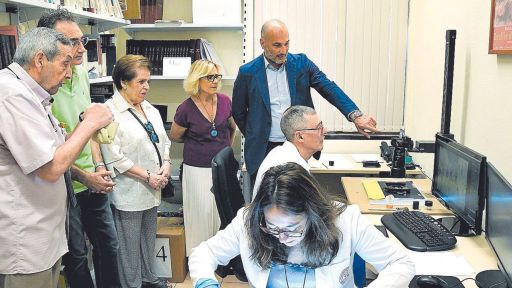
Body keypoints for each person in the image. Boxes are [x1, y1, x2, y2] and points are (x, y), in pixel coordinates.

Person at [0, 27, 113, 288]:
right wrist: (90, 124)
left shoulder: (32, 95)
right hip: (24, 243)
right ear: (40, 60)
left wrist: (84, 169)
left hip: (44, 237)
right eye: (65, 64)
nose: (69, 72)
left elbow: (52, 151)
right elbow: (51, 167)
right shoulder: (11, 95)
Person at [189, 163, 415, 287]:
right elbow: (204, 253)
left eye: (292, 228)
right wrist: (205, 282)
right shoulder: (249, 222)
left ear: (314, 213)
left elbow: (400, 263)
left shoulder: (345, 220)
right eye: (273, 227)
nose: (282, 237)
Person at [232, 19, 379, 183]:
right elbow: (238, 112)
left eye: (286, 44)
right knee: (264, 202)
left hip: (296, 146)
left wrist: (355, 115)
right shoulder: (247, 72)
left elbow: (328, 88)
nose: (284, 50)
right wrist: (255, 135)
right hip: (263, 149)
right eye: (277, 45)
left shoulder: (301, 64)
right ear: (262, 43)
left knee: (296, 200)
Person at [37, 10, 120, 288]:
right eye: (73, 42)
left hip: (93, 181)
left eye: (82, 40)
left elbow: (90, 131)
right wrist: (85, 177)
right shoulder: (42, 88)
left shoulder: (82, 74)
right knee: (77, 256)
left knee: (109, 247)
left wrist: (98, 167)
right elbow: (49, 156)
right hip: (66, 186)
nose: (82, 48)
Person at [100, 55, 171, 288]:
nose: (146, 87)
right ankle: (132, 285)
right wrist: (148, 177)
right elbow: (114, 157)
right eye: (141, 82)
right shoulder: (109, 112)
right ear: (123, 82)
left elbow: (164, 141)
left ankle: (150, 279)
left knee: (147, 241)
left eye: (148, 81)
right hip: (130, 193)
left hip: (153, 190)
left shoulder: (149, 108)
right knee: (129, 250)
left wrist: (167, 164)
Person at [169, 59, 237, 256]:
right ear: (197, 80)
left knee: (221, 212)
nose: (215, 81)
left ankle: (222, 258)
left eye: (217, 76)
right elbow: (175, 136)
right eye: (210, 77)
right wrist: (198, 144)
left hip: (222, 170)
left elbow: (232, 128)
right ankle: (198, 257)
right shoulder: (186, 107)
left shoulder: (225, 101)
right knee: (199, 213)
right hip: (196, 169)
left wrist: (223, 150)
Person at [252, 105, 324, 198]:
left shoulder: (280, 152)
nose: (324, 131)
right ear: (300, 136)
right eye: (319, 128)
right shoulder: (291, 169)